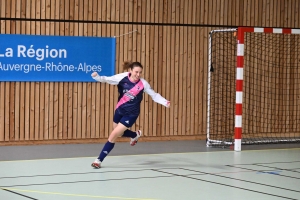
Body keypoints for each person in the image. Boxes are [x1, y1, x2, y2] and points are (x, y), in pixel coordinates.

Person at [91, 61, 170, 168]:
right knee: (118, 133)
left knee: (113, 135)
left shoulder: (143, 84)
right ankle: (134, 135)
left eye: (140, 72)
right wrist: (97, 77)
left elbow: (154, 95)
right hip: (119, 110)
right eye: (136, 72)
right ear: (130, 71)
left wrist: (165, 102)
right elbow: (108, 79)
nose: (138, 74)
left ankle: (98, 160)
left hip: (131, 114)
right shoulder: (122, 77)